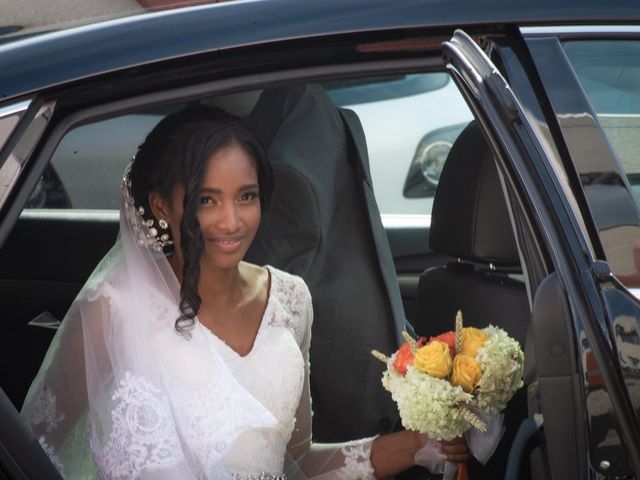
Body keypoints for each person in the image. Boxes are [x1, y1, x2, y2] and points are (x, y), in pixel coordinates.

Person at [21, 104, 469, 479]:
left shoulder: (290, 300)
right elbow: (32, 450)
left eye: (246, 196)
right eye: (206, 199)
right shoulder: (115, 308)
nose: (231, 222)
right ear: (161, 206)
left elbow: (294, 465)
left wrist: (418, 445)